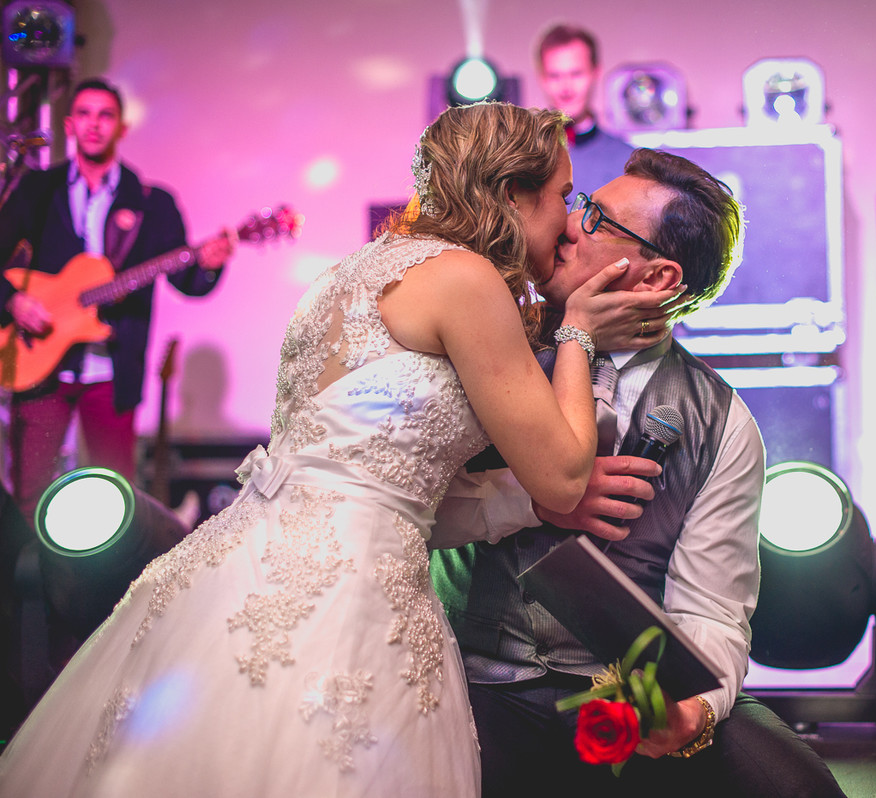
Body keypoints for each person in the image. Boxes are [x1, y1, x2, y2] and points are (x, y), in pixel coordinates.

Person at [0, 102, 673, 797]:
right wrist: (579, 334)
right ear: (511, 194)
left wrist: (517, 503)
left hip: (241, 566)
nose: (569, 220)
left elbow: (396, 490)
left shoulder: (352, 274)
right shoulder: (466, 280)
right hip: (348, 597)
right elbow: (563, 476)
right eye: (564, 196)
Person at [430, 149, 847, 798]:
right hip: (470, 680)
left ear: (656, 278)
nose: (568, 225)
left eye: (595, 217)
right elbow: (403, 511)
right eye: (580, 205)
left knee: (799, 788)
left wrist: (692, 709)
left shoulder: (725, 423)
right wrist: (531, 498)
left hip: (616, 693)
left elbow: (712, 609)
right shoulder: (486, 344)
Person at [0, 78, 234, 529]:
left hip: (112, 370)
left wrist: (209, 264)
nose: (93, 125)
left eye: (104, 115)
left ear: (121, 129)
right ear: (69, 124)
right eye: (84, 114)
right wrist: (14, 302)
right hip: (39, 367)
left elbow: (188, 280)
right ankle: (28, 597)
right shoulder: (37, 190)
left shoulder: (151, 201)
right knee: (28, 499)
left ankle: (105, 599)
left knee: (113, 499)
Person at [536, 24, 633, 196]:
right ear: (542, 78)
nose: (566, 88)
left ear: (596, 72)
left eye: (576, 74)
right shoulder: (523, 155)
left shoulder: (628, 161)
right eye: (555, 76)